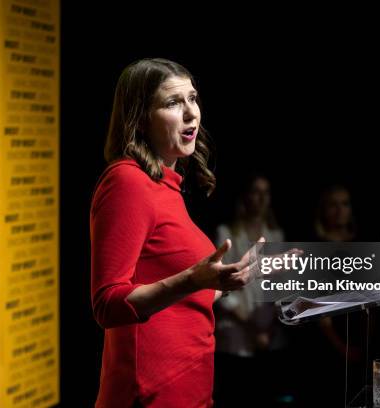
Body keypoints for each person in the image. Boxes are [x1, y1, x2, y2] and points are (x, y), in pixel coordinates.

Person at [89, 58, 264, 407]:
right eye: (173, 103)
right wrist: (193, 279)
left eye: (193, 98)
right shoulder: (127, 182)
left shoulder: (164, 186)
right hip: (149, 394)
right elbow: (106, 304)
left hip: (188, 390)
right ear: (139, 118)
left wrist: (236, 278)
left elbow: (177, 302)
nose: (191, 113)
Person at [213, 173, 291, 405]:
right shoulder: (226, 233)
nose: (261, 198)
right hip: (236, 329)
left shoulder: (276, 234)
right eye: (256, 192)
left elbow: (281, 285)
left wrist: (267, 327)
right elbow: (220, 282)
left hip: (269, 332)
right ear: (246, 196)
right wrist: (250, 324)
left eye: (266, 192)